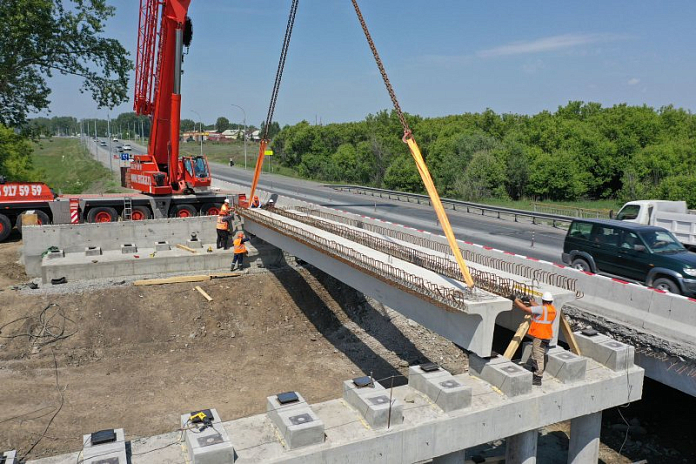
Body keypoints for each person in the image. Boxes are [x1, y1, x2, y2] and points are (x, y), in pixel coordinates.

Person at [513, 292, 557, 386]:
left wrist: (515, 300)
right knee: (536, 353)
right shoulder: (553, 309)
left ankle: (537, 378)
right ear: (551, 301)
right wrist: (530, 301)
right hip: (546, 335)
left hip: (540, 336)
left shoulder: (542, 309)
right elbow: (539, 307)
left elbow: (526, 309)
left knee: (538, 356)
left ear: (543, 300)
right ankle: (535, 371)